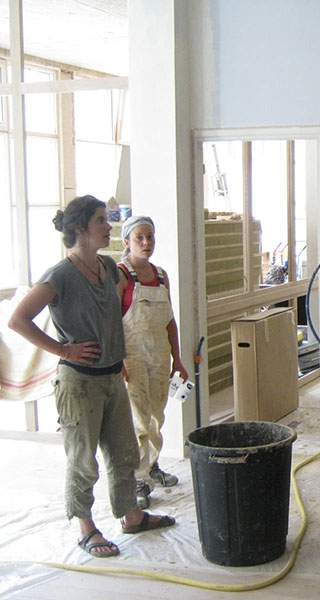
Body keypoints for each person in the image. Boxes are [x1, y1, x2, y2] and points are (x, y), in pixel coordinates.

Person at [7, 195, 175, 558]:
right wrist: (64, 350)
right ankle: (85, 526)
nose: (108, 227)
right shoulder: (60, 275)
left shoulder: (108, 269)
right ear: (81, 228)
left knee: (125, 451)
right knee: (83, 459)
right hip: (80, 382)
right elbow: (18, 320)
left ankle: (130, 514)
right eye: (101, 220)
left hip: (113, 376)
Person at [118, 215, 188, 509]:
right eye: (139, 238)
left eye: (150, 237)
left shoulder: (161, 275)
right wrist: (118, 359)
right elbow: (111, 320)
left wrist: (178, 359)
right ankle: (137, 479)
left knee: (157, 416)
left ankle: (152, 465)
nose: (146, 243)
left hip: (159, 356)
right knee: (138, 420)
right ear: (127, 242)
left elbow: (170, 321)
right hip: (132, 357)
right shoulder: (121, 274)